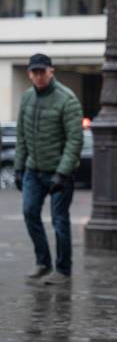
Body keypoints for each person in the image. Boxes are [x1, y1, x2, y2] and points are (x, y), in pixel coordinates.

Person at [14, 53, 83, 284]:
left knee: (59, 220)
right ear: (29, 74)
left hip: (59, 172)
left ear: (51, 71)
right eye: (34, 72)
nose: (38, 76)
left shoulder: (67, 99)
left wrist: (62, 173)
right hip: (34, 170)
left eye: (42, 71)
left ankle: (63, 270)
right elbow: (21, 135)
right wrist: (18, 168)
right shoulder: (26, 97)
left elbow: (75, 139)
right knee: (29, 212)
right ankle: (43, 262)